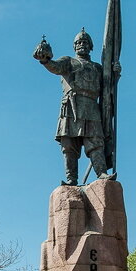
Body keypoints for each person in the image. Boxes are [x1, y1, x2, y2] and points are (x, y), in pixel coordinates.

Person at [33, 29, 120, 185]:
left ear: (91, 46)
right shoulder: (68, 61)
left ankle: (101, 173)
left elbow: (108, 87)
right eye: (79, 42)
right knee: (69, 146)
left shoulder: (98, 68)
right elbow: (55, 67)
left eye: (85, 42)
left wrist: (115, 74)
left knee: (95, 142)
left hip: (92, 107)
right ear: (74, 46)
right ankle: (71, 179)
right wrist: (45, 59)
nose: (82, 45)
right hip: (71, 107)